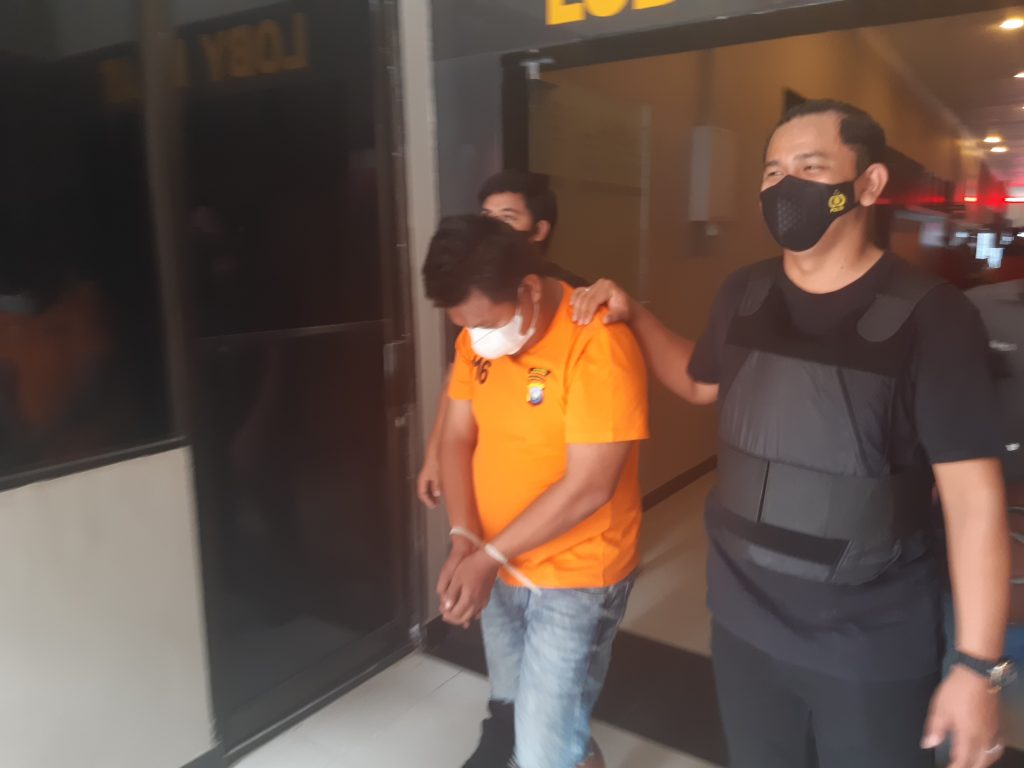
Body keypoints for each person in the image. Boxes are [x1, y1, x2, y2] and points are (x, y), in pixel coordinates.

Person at [571, 99, 1011, 768]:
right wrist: (634, 313)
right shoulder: (744, 293)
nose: (785, 187)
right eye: (773, 172)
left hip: (871, 641)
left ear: (868, 184)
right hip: (744, 622)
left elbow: (974, 502)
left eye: (810, 168)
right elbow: (700, 382)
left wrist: (977, 668)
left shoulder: (934, 316)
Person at [422, 214, 648, 768]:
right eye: (463, 326)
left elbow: (590, 485)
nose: (475, 338)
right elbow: (456, 437)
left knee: (544, 748)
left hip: (576, 579)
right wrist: (463, 537)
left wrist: (486, 558)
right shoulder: (475, 339)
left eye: (483, 322)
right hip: (498, 564)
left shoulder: (598, 342)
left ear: (528, 288)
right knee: (519, 707)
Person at [417, 171, 587, 509]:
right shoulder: (476, 296)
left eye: (508, 218)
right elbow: (458, 376)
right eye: (487, 217)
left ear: (538, 230)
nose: (493, 229)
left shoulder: (576, 300)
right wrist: (435, 453)